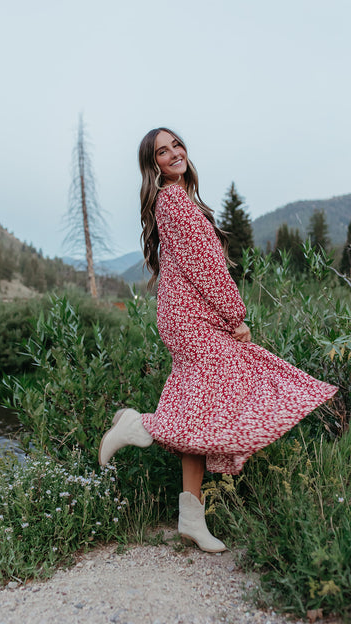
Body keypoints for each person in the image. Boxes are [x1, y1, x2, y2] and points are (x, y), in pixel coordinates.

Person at [99, 127, 338, 553]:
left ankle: (190, 518)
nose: (174, 153)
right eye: (162, 151)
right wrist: (236, 317)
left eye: (177, 145)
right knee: (245, 378)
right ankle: (141, 424)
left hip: (185, 318)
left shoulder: (174, 202)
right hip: (195, 321)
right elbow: (208, 268)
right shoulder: (173, 201)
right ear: (153, 164)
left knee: (198, 410)